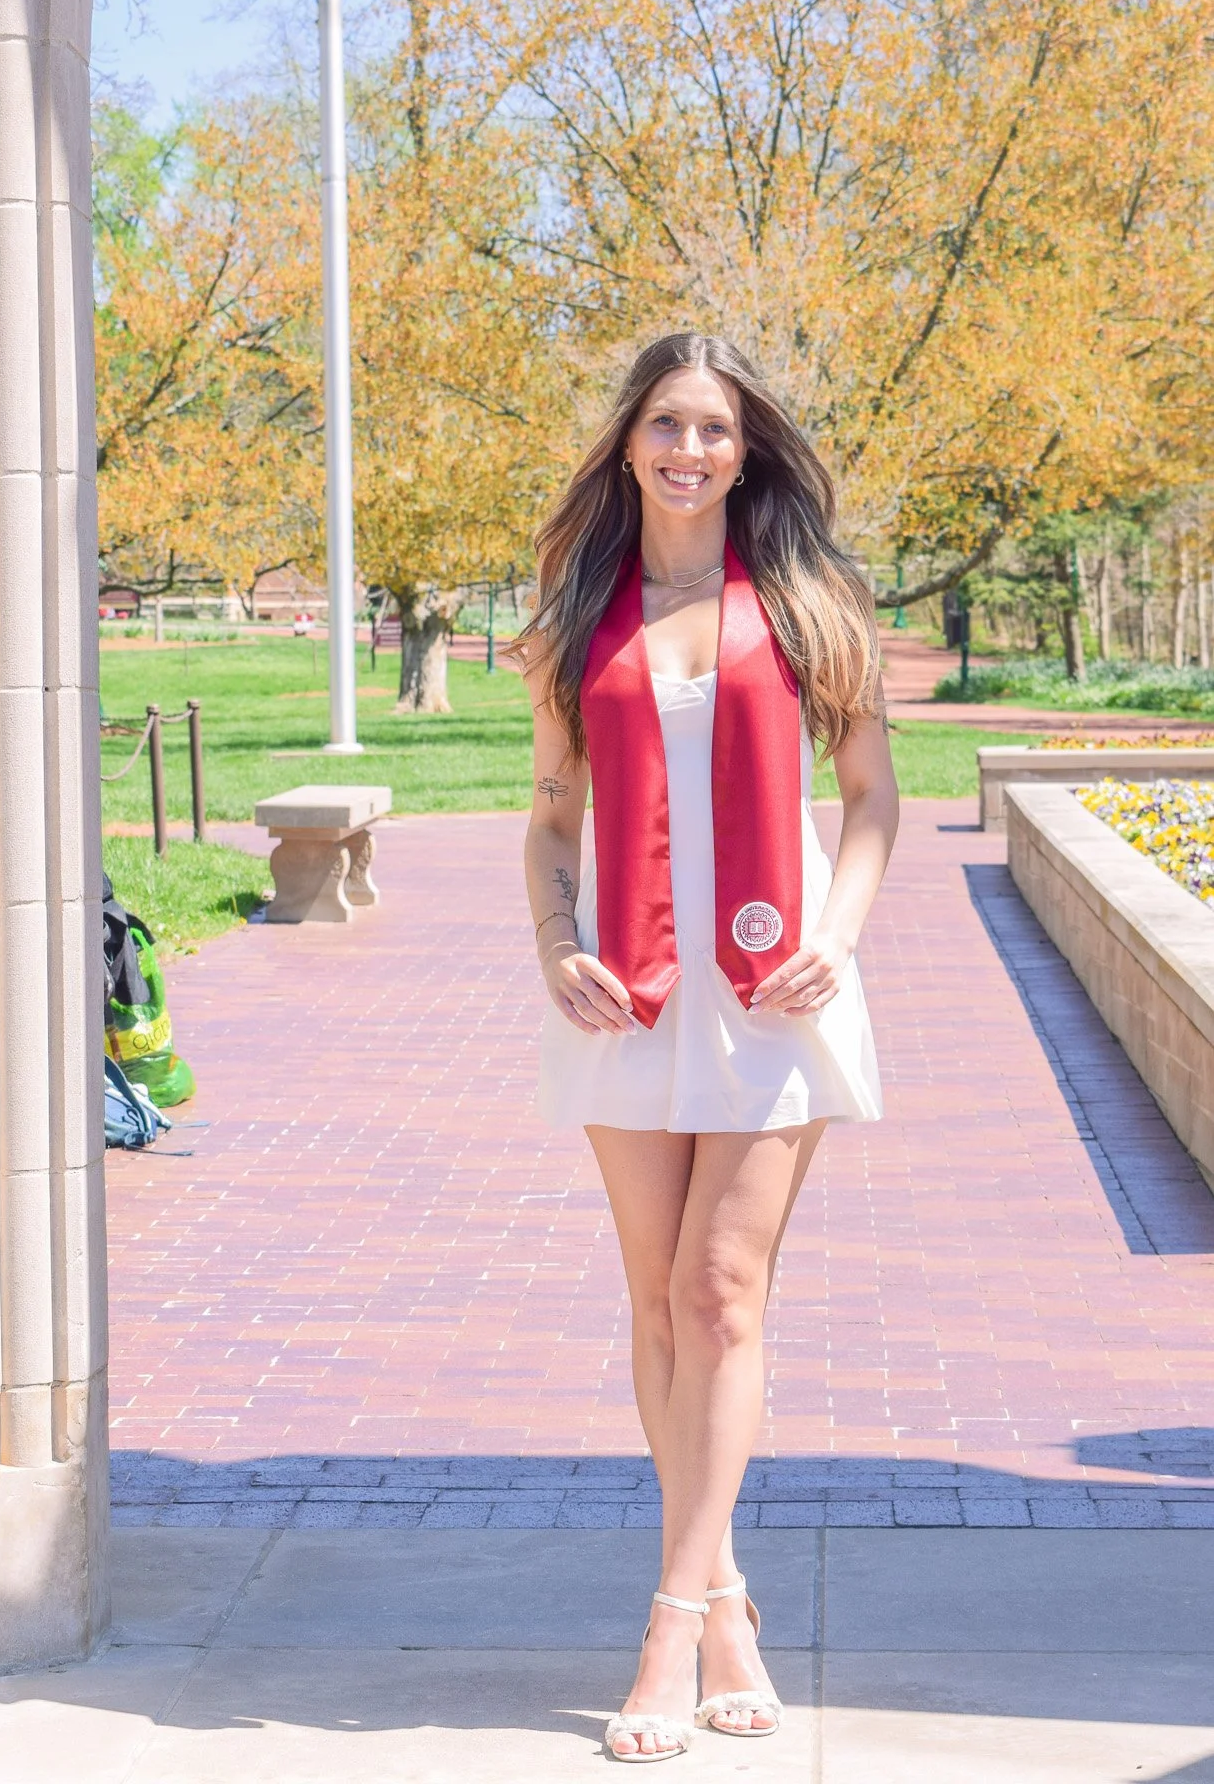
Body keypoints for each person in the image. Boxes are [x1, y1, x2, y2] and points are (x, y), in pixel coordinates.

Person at [514, 331, 897, 1763]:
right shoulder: (577, 616)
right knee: (657, 1303)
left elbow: (867, 801)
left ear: (747, 450)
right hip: (627, 988)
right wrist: (557, 942)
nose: (690, 450)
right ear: (628, 442)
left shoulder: (807, 606)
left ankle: (669, 1620)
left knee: (721, 1288)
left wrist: (837, 934)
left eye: (716, 430)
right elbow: (554, 819)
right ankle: (726, 1599)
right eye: (666, 425)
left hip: (772, 992)